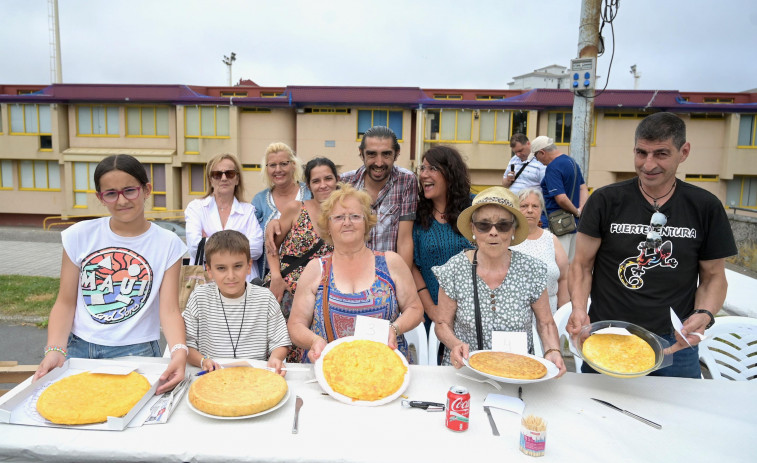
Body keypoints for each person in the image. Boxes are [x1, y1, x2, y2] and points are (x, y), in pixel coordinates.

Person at [568, 112, 737, 378]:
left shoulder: (705, 207)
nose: (648, 164)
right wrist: (578, 308)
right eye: (641, 153)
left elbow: (714, 276)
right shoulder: (605, 200)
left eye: (661, 154)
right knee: (601, 413)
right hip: (608, 336)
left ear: (684, 152)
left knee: (676, 416)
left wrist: (704, 313)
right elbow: (581, 264)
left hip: (674, 344)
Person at [33, 154, 187, 394]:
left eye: (129, 190)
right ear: (100, 197)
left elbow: (169, 310)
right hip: (79, 348)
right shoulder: (79, 235)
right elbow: (65, 302)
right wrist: (55, 349)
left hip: (138, 351)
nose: (122, 200)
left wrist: (179, 351)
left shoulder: (167, 243)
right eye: (111, 193)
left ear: (146, 190)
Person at [432, 187, 566, 377]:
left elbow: (546, 323)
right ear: (473, 229)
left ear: (513, 230)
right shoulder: (454, 269)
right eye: (484, 225)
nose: (493, 232)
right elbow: (442, 323)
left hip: (518, 371)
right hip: (467, 370)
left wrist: (553, 351)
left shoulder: (531, 270)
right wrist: (455, 344)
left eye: (502, 225)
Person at [287, 184, 424, 363]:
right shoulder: (316, 269)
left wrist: (395, 328)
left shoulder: (391, 263)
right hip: (330, 369)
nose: (347, 222)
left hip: (385, 369)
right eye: (338, 217)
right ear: (327, 226)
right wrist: (314, 341)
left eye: (355, 216)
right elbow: (296, 324)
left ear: (367, 223)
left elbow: (415, 308)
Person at [182, 230, 290, 376]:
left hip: (255, 377)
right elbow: (186, 344)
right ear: (209, 270)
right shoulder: (199, 297)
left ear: (248, 266)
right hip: (211, 376)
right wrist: (203, 361)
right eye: (221, 268)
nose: (231, 276)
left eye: (237, 266)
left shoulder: (265, 299)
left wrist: (275, 358)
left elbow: (280, 341)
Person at [412, 145, 474, 334]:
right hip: (435, 314)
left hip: (473, 313)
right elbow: (412, 266)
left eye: (432, 168)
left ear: (450, 173)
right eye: (422, 168)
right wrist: (431, 309)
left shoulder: (474, 208)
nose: (424, 174)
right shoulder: (416, 214)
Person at [265, 157, 337, 315]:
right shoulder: (296, 208)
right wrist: (276, 277)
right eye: (316, 181)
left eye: (328, 178)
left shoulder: (344, 214)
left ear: (336, 180)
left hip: (324, 296)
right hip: (287, 291)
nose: (323, 185)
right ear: (309, 185)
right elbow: (272, 246)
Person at [340, 126, 418, 269]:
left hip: (388, 273)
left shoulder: (407, 181)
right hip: (352, 270)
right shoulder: (345, 182)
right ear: (361, 154)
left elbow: (404, 240)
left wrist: (401, 280)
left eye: (386, 154)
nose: (379, 162)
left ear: (397, 154)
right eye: (372, 154)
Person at [185, 153, 264, 280]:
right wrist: (239, 247)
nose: (223, 178)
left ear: (237, 179)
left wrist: (209, 241)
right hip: (206, 284)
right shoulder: (196, 208)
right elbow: (195, 247)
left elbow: (256, 249)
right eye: (217, 174)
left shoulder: (248, 210)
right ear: (210, 180)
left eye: (229, 173)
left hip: (243, 284)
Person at [252, 142, 312, 276]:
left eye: (284, 164)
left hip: (308, 274)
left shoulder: (310, 194)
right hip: (269, 276)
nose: (278, 169)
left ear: (293, 165)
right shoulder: (259, 201)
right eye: (272, 165)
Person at [510, 188, 569, 314]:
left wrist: (563, 312)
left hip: (549, 313)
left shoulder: (551, 239)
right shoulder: (507, 239)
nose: (530, 210)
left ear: (541, 210)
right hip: (513, 314)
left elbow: (564, 278)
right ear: (515, 209)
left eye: (535, 206)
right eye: (524, 206)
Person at [534, 136, 589, 260]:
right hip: (574, 225)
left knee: (557, 264)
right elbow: (583, 188)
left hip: (558, 224)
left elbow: (561, 198)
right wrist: (580, 210)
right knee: (570, 265)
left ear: (542, 152)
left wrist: (577, 212)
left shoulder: (553, 167)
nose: (538, 161)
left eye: (536, 157)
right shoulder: (572, 162)